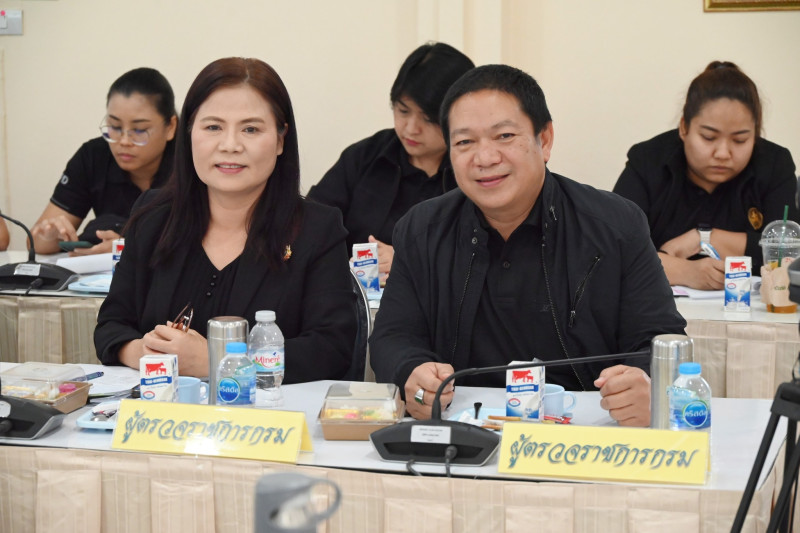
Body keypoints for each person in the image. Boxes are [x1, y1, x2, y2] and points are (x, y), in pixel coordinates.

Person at [370, 65, 686, 427]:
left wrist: (646, 383)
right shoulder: (422, 229)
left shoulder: (615, 225)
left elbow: (661, 340)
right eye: (465, 142)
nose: (485, 158)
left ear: (544, 139)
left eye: (504, 136)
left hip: (586, 429)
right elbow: (392, 336)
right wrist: (412, 372)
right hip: (462, 430)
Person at [94, 57, 356, 382]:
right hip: (162, 407)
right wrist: (144, 352)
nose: (230, 145)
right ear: (189, 132)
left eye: (250, 129)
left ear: (280, 140)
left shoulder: (316, 229)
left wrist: (215, 362)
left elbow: (331, 349)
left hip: (270, 411)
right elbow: (111, 326)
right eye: (213, 127)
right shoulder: (153, 217)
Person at [613, 61, 799, 290]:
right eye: (709, 137)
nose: (723, 153)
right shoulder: (648, 161)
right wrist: (686, 272)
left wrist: (706, 238)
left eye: (740, 140)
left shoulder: (774, 164)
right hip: (658, 309)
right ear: (684, 128)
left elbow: (789, 253)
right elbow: (613, 250)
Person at [307, 42, 474, 279]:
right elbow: (311, 225)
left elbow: (488, 259)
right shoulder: (365, 157)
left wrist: (408, 263)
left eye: (428, 119)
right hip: (355, 296)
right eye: (403, 111)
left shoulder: (478, 169)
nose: (411, 128)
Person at [30, 67, 178, 255]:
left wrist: (128, 248)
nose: (124, 141)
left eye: (139, 130)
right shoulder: (93, 157)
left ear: (170, 127)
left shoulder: (192, 161)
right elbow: (35, 243)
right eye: (115, 126)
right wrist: (50, 237)